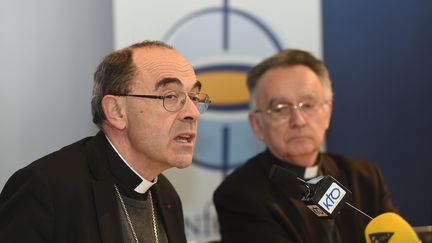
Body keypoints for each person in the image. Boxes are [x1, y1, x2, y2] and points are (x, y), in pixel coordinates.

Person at [0, 40, 211, 243]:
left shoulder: (166, 195)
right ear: (116, 111)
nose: (192, 112)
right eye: (170, 96)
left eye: (193, 97)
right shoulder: (46, 190)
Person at [213, 49, 397, 243]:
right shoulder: (240, 194)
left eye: (307, 105)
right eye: (280, 109)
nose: (298, 120)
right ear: (257, 125)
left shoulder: (363, 177)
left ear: (327, 113)